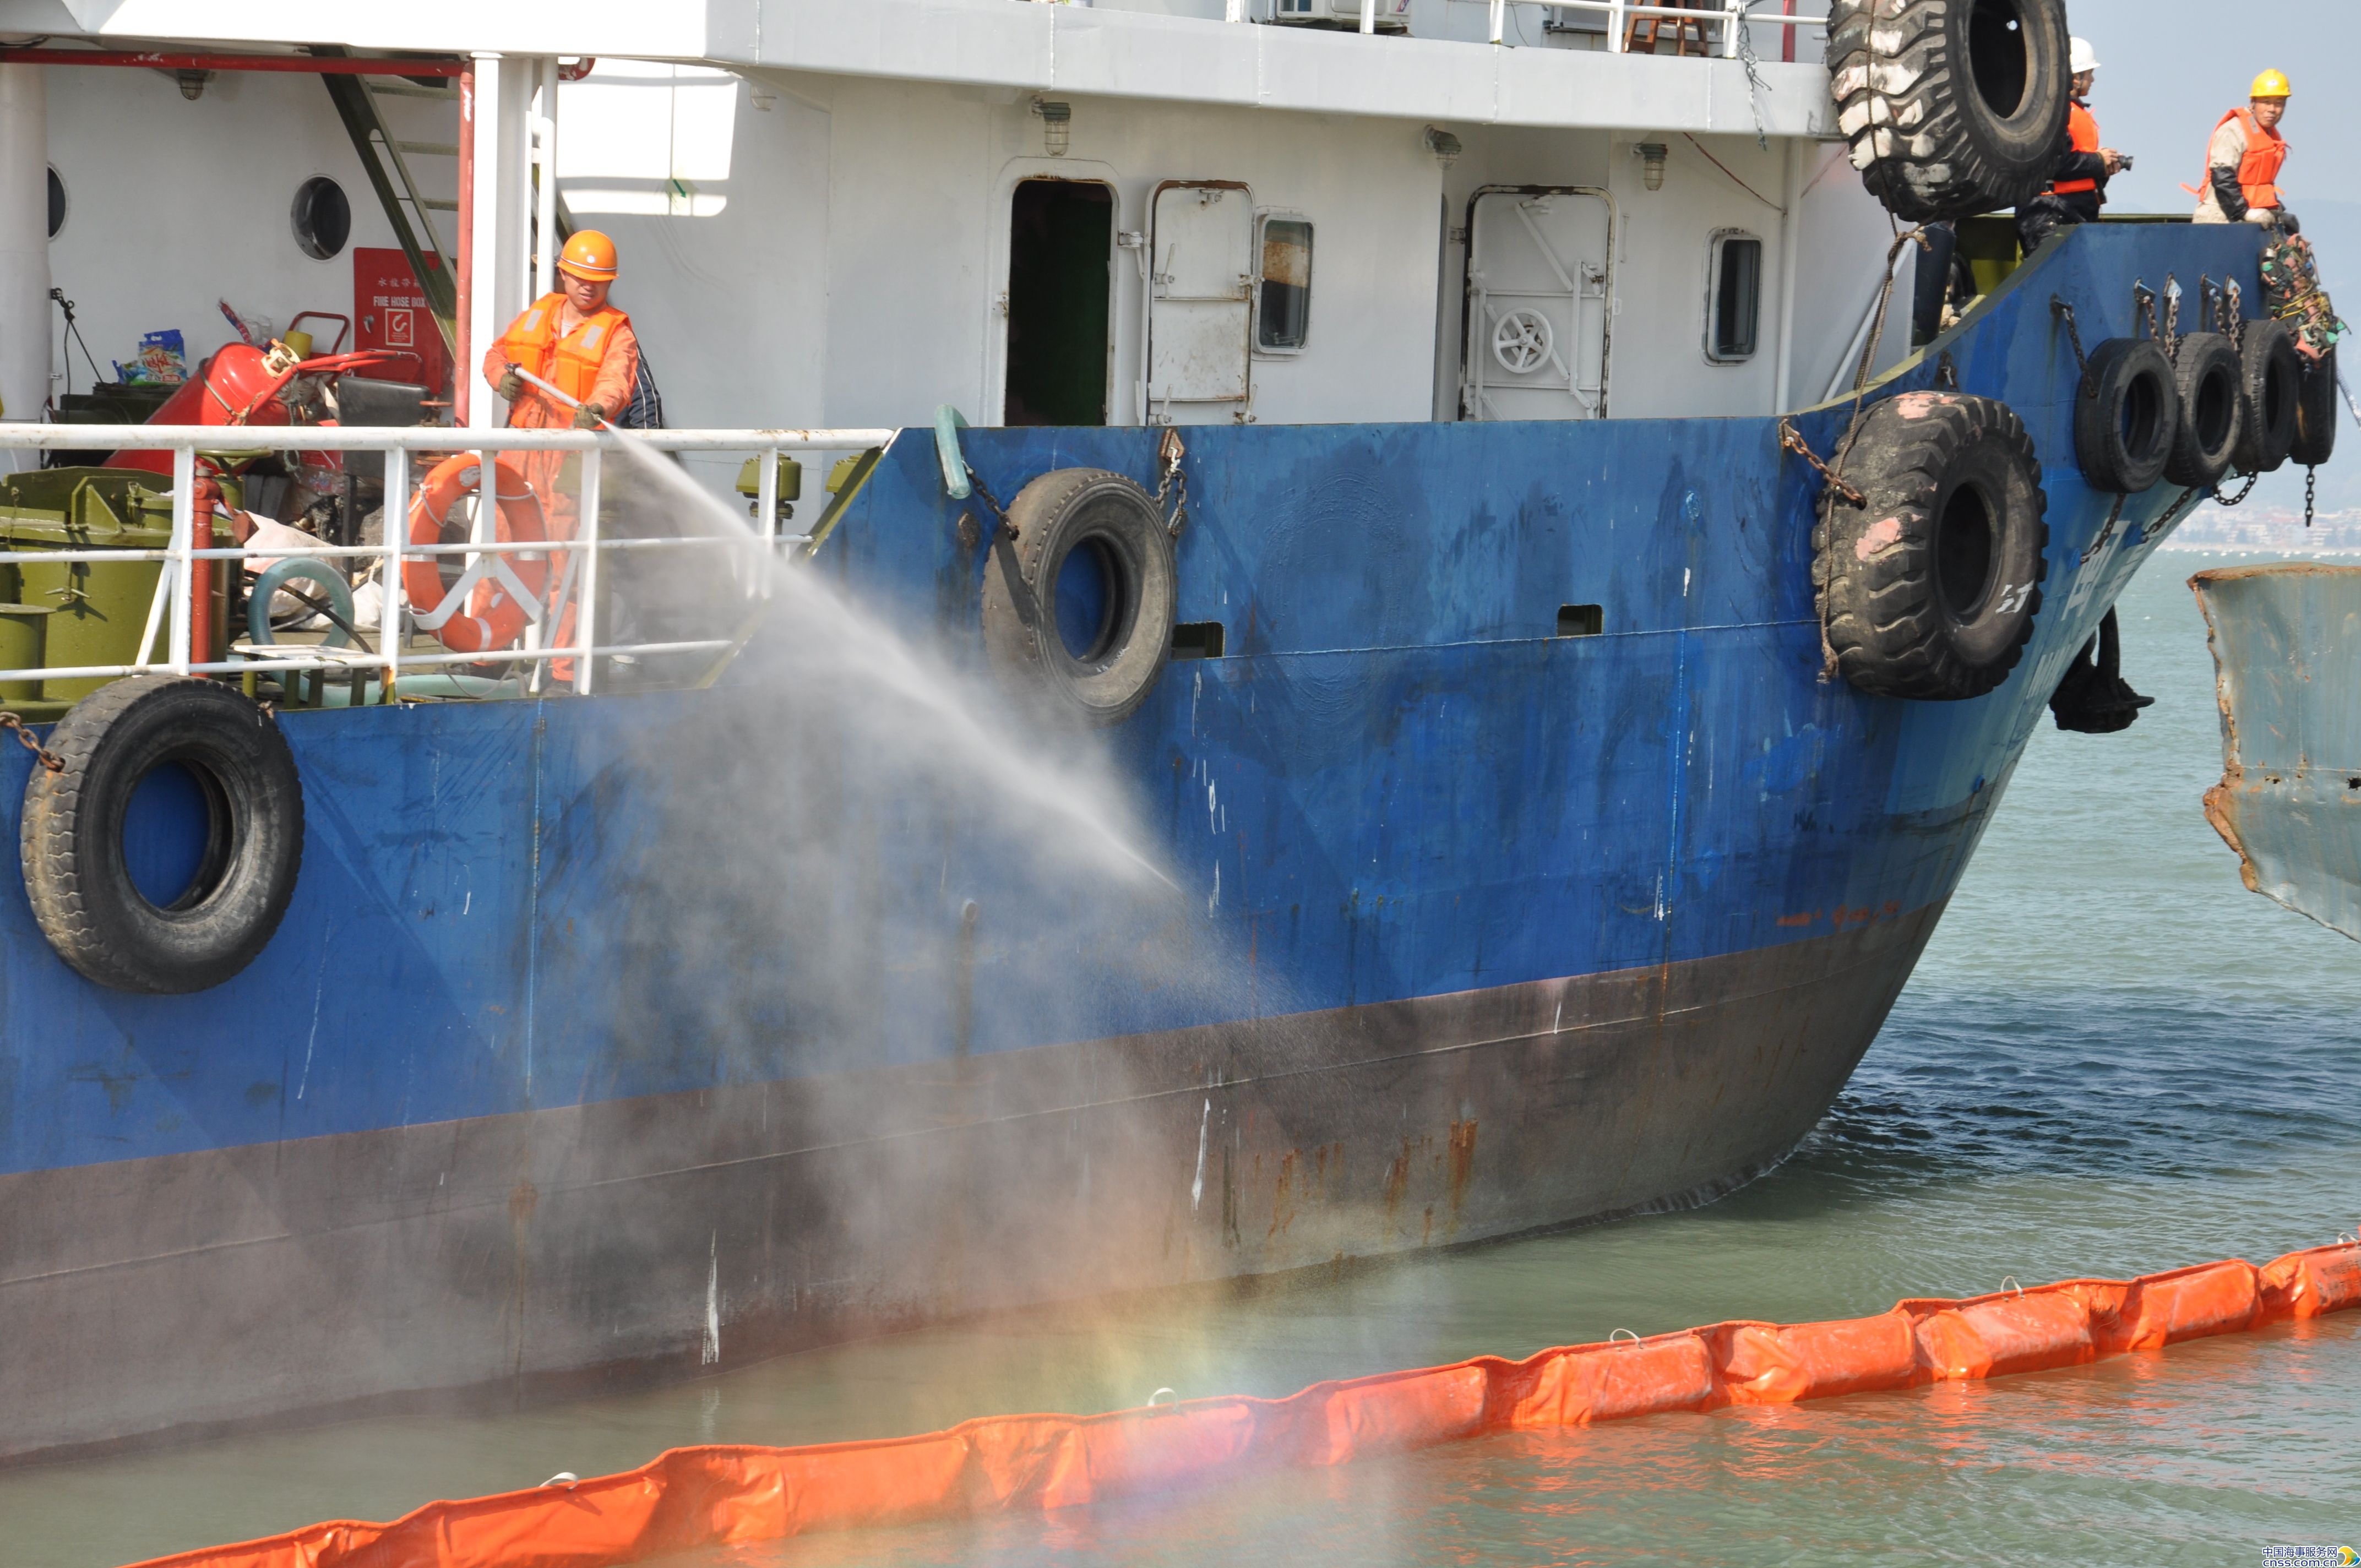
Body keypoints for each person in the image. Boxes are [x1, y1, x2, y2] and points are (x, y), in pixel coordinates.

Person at [478, 230, 639, 677]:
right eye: (581, 277)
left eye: (599, 281)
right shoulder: (539, 312)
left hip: (568, 457)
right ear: (563, 274)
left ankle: (564, 673)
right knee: (500, 550)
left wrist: (599, 408)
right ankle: (487, 658)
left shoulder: (616, 332)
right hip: (520, 450)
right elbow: (497, 354)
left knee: (566, 563)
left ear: (609, 284)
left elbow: (617, 381)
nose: (588, 287)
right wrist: (499, 379)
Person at [2016, 38, 2125, 254]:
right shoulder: (2053, 114)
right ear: (2075, 78)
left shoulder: (2068, 111)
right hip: (2051, 214)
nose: (2093, 79)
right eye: (2089, 72)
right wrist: (2098, 161)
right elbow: (2056, 164)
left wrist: (2103, 168)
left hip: (2067, 213)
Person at [2189, 70, 2295, 231]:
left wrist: (2279, 214)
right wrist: (2245, 212)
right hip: (2220, 220)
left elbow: (2258, 187)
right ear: (2253, 103)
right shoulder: (2233, 131)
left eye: (2279, 103)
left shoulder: (2269, 134)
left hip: (2250, 220)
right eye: (2266, 102)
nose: (2272, 109)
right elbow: (2222, 178)